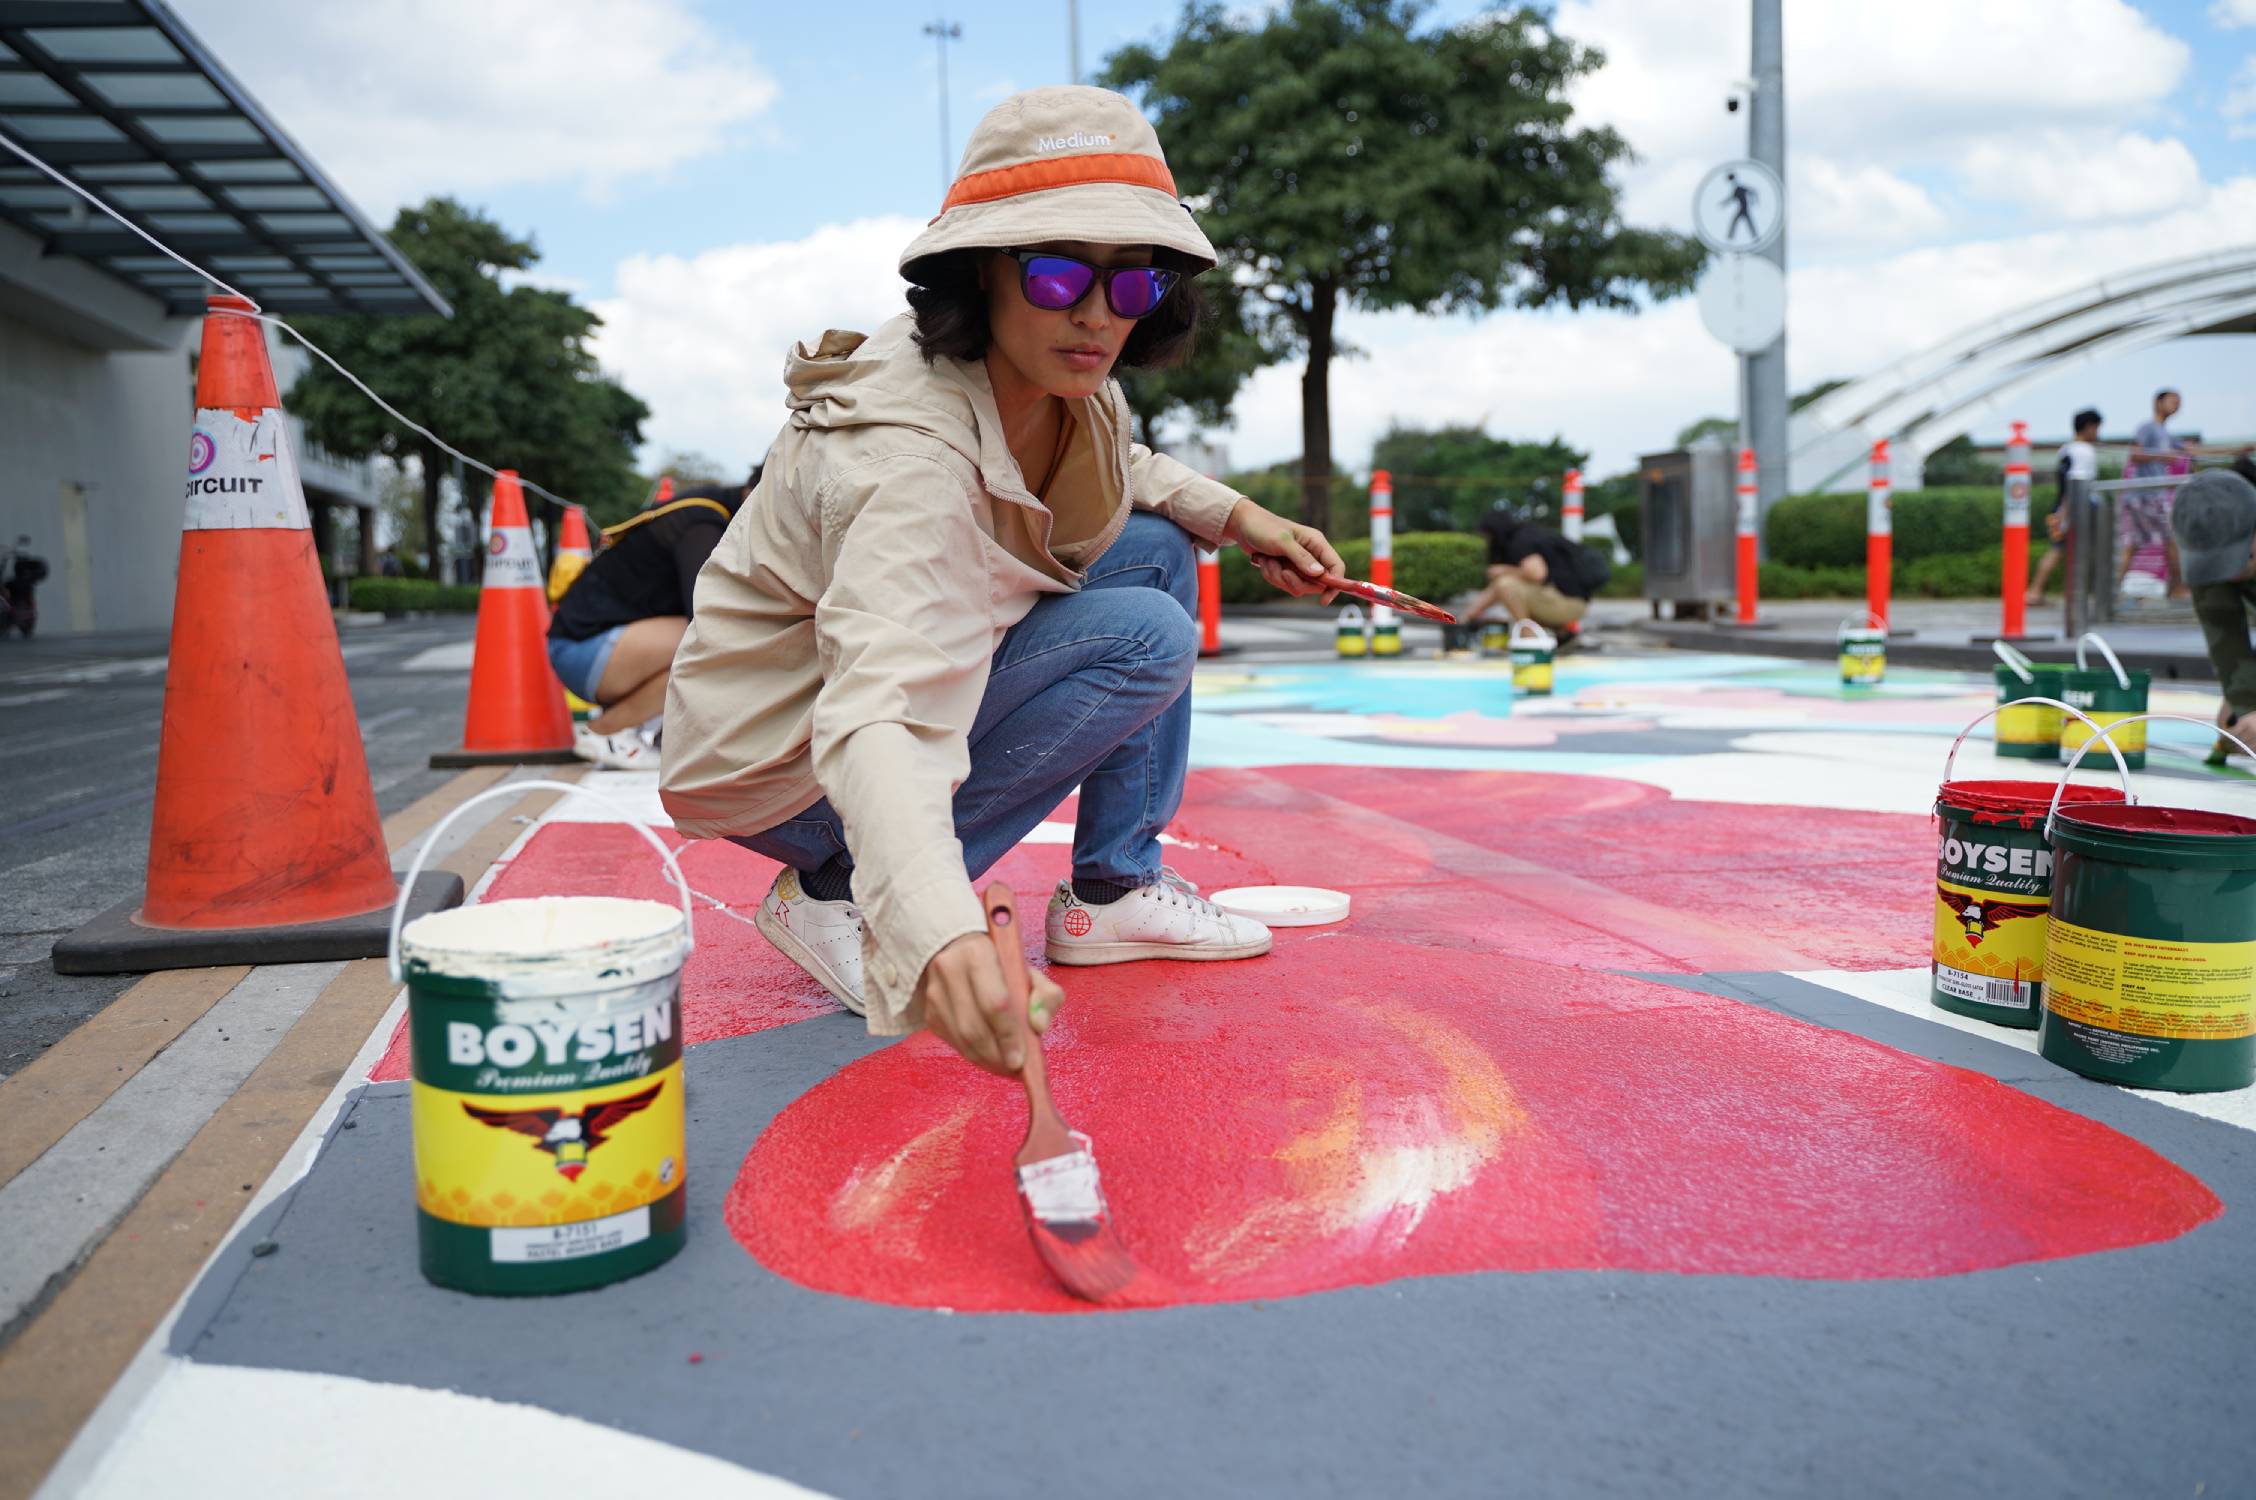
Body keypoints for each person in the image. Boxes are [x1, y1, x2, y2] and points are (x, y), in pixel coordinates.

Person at [659, 87, 1343, 1075]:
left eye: (1134, 284)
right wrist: (933, 932)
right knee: (1148, 633)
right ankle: (842, 891)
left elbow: (1118, 464)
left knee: (1153, 549)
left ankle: (1112, 894)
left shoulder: (1040, 369)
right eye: (1060, 274)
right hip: (784, 762)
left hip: (831, 714)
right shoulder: (904, 459)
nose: (1099, 316)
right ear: (979, 271)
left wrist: (1240, 518)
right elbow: (879, 716)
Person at [548, 475, 754, 770]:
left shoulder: (708, 511)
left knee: (718, 640)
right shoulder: (702, 524)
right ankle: (605, 732)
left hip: (599, 647)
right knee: (716, 640)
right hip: (582, 651)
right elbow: (706, 618)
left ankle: (650, 734)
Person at [2172, 455, 2256, 750]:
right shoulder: (2208, 536)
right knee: (2238, 733)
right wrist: (2244, 701)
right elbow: (2224, 632)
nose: (2228, 576)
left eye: (2236, 563)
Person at [1462, 506, 1595, 635]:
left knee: (1506, 585)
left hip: (1567, 604)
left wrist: (1503, 570)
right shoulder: (1528, 535)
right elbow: (1494, 590)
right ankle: (1561, 634)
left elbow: (1537, 574)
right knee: (1505, 586)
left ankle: (1529, 637)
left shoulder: (1520, 542)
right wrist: (1467, 617)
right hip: (1573, 602)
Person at [2125, 388, 2196, 596]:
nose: (2177, 405)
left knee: (2139, 545)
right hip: (2145, 496)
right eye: (2173, 400)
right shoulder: (2148, 428)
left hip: (2153, 496)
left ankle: (2176, 588)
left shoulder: (2166, 433)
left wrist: (2236, 451)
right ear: (2158, 402)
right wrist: (2162, 456)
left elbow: (2191, 451)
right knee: (2169, 540)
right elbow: (2135, 455)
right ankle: (2179, 588)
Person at [2030, 408, 2100, 607]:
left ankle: (2036, 590)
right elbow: (2076, 485)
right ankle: (2081, 594)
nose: (2097, 433)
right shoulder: (2085, 451)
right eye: (2096, 428)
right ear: (2089, 427)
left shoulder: (2067, 449)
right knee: (2070, 551)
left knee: (2057, 550)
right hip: (2076, 510)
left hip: (2061, 508)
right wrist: (2065, 515)